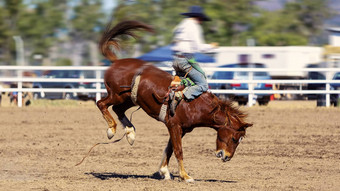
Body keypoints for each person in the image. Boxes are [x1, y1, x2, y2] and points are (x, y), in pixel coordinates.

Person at [171, 5, 218, 102]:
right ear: (199, 17)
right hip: (185, 60)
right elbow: (199, 47)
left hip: (175, 59)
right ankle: (181, 94)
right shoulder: (194, 26)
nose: (201, 21)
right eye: (201, 19)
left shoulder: (182, 25)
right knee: (203, 84)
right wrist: (211, 46)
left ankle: (175, 94)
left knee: (185, 81)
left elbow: (174, 39)